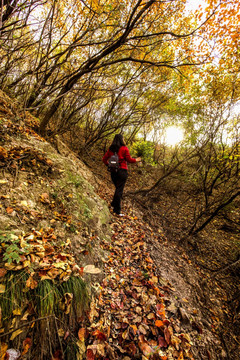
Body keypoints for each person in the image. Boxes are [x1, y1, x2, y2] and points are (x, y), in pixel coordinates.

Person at [102, 134, 141, 216]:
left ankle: (113, 204)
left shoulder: (110, 149)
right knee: (119, 191)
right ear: (121, 140)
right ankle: (117, 211)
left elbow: (104, 159)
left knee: (117, 189)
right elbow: (129, 160)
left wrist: (108, 165)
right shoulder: (124, 148)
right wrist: (136, 160)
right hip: (122, 171)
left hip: (113, 172)